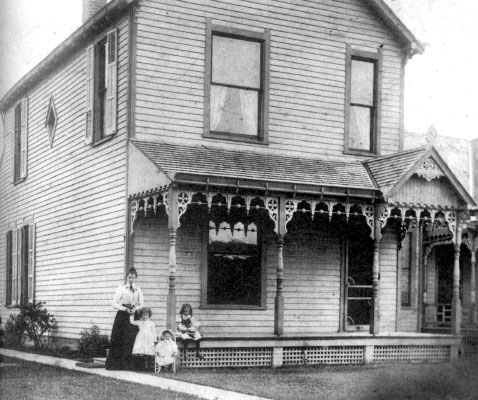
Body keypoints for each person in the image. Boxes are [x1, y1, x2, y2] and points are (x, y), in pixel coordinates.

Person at [105, 267, 144, 370]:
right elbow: (114, 303)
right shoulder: (121, 289)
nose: (131, 279)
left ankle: (128, 365)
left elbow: (141, 304)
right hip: (122, 315)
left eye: (133, 277)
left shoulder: (138, 290)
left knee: (130, 339)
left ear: (135, 278)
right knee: (119, 338)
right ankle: (115, 365)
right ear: (126, 277)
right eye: (129, 277)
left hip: (133, 315)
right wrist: (124, 309)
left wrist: (135, 309)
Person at [130, 307, 157, 371]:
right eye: (143, 315)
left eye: (146, 315)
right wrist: (131, 314)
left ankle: (149, 367)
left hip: (149, 338)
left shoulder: (151, 323)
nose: (145, 316)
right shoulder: (139, 322)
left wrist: (155, 340)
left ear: (149, 315)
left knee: (149, 352)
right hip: (141, 337)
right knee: (141, 351)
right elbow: (132, 322)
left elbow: (154, 332)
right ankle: (142, 366)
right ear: (141, 315)